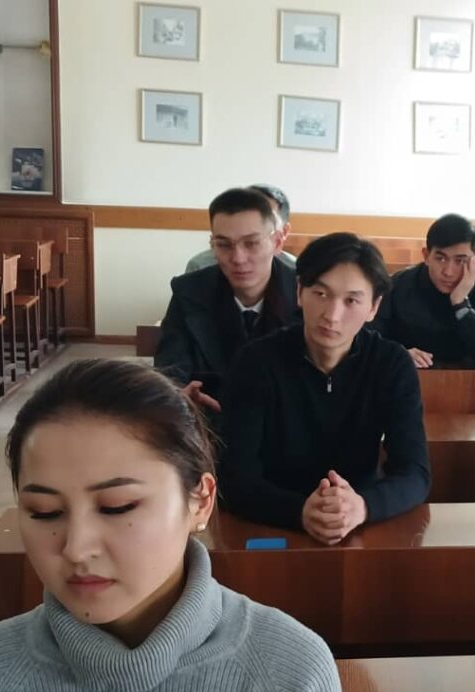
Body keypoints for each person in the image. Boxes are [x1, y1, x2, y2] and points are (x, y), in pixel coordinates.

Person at [0, 359, 344, 692]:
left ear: (200, 501)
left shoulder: (290, 673)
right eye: (44, 511)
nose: (77, 548)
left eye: (117, 507)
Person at [221, 233, 430, 544]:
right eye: (320, 293)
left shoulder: (391, 364)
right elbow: (234, 476)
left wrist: (363, 506)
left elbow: (415, 473)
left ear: (374, 307)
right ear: (299, 291)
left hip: (359, 522)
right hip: (272, 521)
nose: (332, 315)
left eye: (351, 300)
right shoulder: (256, 362)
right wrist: (299, 511)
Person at [155, 187, 300, 432]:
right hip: (208, 424)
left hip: (285, 426)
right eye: (224, 245)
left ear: (277, 242)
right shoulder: (189, 291)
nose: (238, 258)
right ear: (212, 244)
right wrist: (179, 395)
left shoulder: (305, 292)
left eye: (251, 243)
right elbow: (171, 367)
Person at [369, 213, 475, 369]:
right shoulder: (396, 287)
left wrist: (462, 306)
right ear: (426, 255)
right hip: (403, 377)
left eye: (460, 261)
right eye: (441, 259)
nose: (448, 272)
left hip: (469, 383)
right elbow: (367, 340)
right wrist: (397, 354)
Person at [185, 183, 298, 272]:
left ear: (281, 236)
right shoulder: (200, 266)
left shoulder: (295, 271)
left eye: (252, 243)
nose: (239, 259)